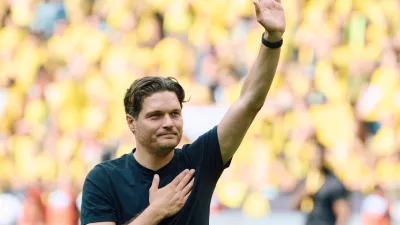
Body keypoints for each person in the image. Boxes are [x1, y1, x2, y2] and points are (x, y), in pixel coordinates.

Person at [80, 0, 286, 224]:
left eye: (175, 113)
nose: (168, 122)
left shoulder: (200, 160)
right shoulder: (104, 179)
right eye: (155, 115)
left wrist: (272, 39)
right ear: (131, 122)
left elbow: (249, 101)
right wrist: (155, 212)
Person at [290, 143, 351, 225]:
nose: (316, 158)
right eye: (314, 154)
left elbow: (343, 211)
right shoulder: (306, 178)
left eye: (318, 154)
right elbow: (293, 206)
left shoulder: (332, 181)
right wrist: (304, 193)